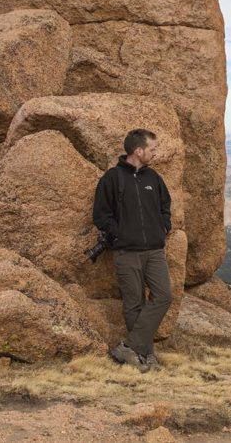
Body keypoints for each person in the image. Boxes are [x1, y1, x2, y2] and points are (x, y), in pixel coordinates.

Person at [92, 128, 173, 372]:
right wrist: (121, 235)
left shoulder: (154, 179)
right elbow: (100, 216)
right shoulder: (112, 178)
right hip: (126, 252)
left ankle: (129, 347)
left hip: (155, 252)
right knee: (133, 304)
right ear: (138, 151)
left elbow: (165, 206)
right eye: (152, 149)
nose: (154, 153)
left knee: (163, 296)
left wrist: (163, 227)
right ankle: (145, 355)